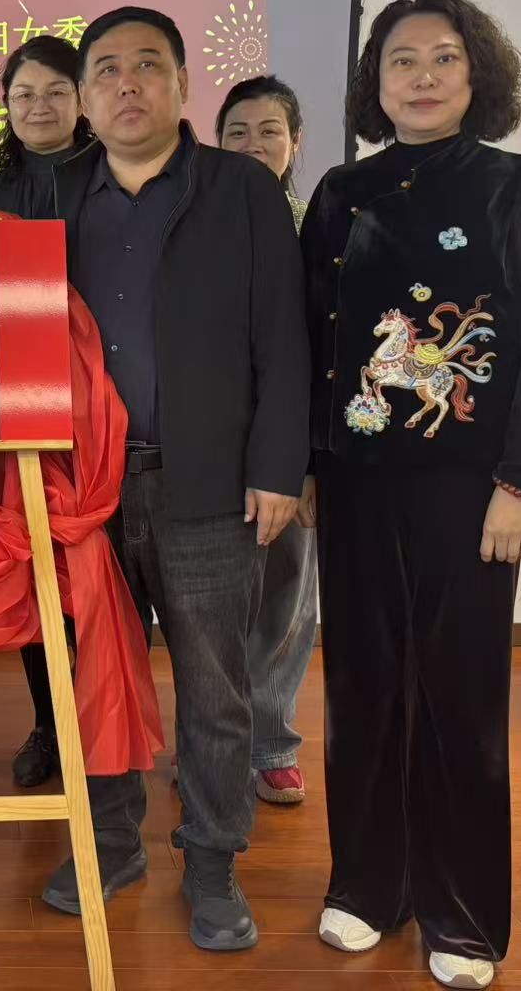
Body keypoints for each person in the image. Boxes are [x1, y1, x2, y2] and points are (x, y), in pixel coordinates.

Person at [304, 0, 521, 991]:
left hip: (471, 484)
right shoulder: (340, 190)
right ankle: (371, 882)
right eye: (402, 60)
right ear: (375, 82)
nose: (421, 75)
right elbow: (313, 339)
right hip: (355, 478)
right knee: (363, 685)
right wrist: (305, 463)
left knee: (459, 692)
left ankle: (463, 912)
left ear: (478, 75)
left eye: (444, 59)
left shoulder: (515, 186)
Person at [43, 7, 308, 953]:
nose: (125, 84)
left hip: (209, 484)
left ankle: (209, 865)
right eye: (105, 69)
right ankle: (111, 843)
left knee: (215, 688)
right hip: (85, 489)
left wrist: (279, 468)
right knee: (96, 677)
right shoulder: (52, 197)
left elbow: (284, 338)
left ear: (183, 85)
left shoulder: (239, 190)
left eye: (146, 65)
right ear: (82, 95)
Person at [0, 35, 94, 789]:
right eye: (22, 95)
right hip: (21, 410)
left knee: (101, 584)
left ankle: (103, 727)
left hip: (102, 410)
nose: (37, 106)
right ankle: (50, 725)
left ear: (80, 100)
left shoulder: (112, 175)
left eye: (53, 90)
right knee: (39, 577)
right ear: (6, 107)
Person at [216, 74, 317, 806]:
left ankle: (270, 740)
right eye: (237, 133)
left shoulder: (318, 227)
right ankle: (210, 743)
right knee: (211, 607)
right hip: (208, 446)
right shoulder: (189, 226)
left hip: (290, 447)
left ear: (294, 143)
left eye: (268, 132)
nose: (253, 146)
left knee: (286, 596)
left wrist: (305, 458)